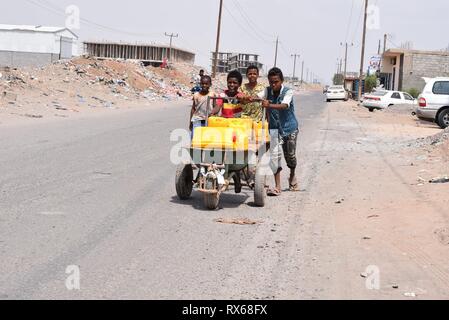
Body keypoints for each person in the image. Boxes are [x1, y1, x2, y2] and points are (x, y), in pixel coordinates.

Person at [257, 67, 299, 196]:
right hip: (274, 129)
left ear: (281, 81)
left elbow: (284, 105)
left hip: (289, 128)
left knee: (290, 156)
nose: (273, 85)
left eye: (276, 82)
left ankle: (292, 175)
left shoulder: (288, 92)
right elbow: (256, 97)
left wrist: (268, 105)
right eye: (271, 82)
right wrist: (245, 97)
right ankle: (277, 187)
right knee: (275, 157)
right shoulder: (267, 91)